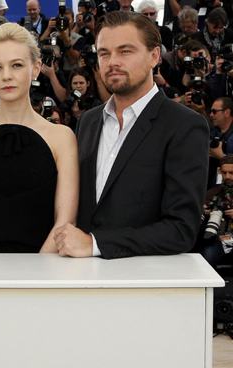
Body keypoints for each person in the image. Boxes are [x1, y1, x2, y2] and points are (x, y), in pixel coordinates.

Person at [54, 11, 209, 258]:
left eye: (125, 51)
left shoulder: (185, 125)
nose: (112, 61)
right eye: (104, 53)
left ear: (154, 56)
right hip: (81, 280)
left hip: (142, 284)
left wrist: (96, 244)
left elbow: (182, 229)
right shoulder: (88, 122)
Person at [0, 22, 78, 253]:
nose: (7, 76)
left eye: (17, 65)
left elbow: (65, 220)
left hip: (44, 273)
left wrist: (36, 279)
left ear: (37, 68)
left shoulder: (62, 136)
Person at [200, 156, 233, 268]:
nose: (227, 177)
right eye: (224, 173)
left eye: (231, 173)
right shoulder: (212, 194)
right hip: (218, 239)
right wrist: (203, 212)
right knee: (208, 254)